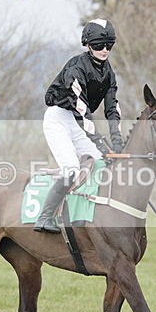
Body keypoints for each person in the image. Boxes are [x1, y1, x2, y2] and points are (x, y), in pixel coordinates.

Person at [33, 18, 125, 233]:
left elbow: (112, 108)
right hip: (59, 120)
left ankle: (88, 215)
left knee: (102, 163)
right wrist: (101, 143)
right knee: (72, 169)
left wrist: (117, 142)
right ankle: (44, 218)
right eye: (99, 45)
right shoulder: (76, 68)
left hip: (78, 123)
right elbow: (82, 112)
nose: (105, 50)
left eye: (109, 45)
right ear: (88, 45)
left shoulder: (108, 72)